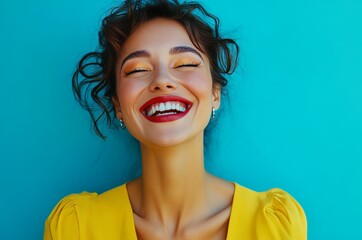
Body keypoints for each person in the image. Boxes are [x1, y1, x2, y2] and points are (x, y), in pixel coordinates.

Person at [44, 0, 307, 239]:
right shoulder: (75, 228)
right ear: (118, 106)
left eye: (185, 64)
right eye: (138, 69)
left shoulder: (276, 227)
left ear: (215, 94)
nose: (162, 81)